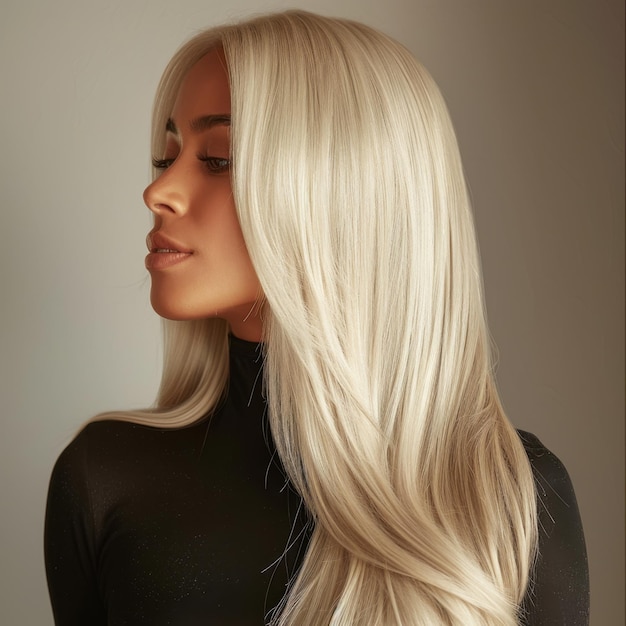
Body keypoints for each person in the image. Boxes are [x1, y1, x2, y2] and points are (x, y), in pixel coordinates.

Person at [44, 10, 589, 625]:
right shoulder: (104, 479)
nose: (159, 190)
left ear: (342, 191)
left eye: (216, 158)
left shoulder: (511, 497)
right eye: (166, 156)